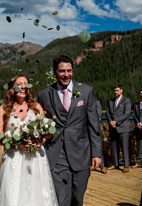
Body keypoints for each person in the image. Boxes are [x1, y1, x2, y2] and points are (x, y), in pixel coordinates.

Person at [36, 56, 103, 206]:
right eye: (62, 71)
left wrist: (97, 153)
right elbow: (37, 123)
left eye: (69, 71)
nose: (66, 74)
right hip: (56, 153)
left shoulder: (86, 92)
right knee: (61, 200)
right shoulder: (44, 94)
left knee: (78, 199)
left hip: (81, 153)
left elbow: (94, 125)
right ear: (55, 72)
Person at [0, 75, 58, 205]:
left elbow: (48, 132)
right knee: (12, 197)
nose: (23, 87)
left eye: (26, 84)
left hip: (35, 158)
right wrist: (17, 142)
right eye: (19, 84)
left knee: (37, 195)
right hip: (14, 159)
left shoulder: (36, 107)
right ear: (11, 89)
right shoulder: (4, 109)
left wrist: (40, 142)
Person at [108, 86, 135, 173]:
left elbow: (126, 114)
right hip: (113, 128)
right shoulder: (111, 101)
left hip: (123, 127)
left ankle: (126, 166)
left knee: (124, 147)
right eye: (114, 90)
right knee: (114, 147)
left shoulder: (126, 100)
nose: (115, 92)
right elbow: (108, 113)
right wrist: (110, 121)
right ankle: (115, 164)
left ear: (121, 90)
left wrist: (116, 121)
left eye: (117, 90)